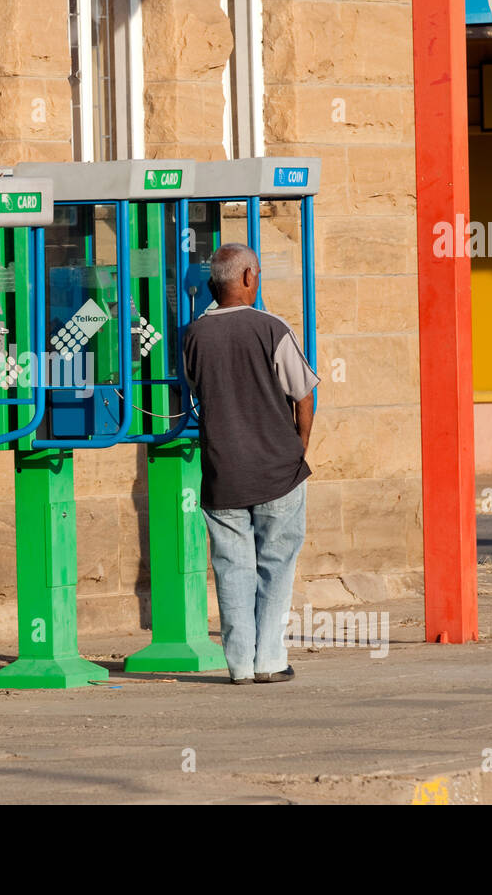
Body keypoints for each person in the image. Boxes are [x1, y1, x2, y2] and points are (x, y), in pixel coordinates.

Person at [181, 242, 319, 684]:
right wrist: (298, 446)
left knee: (231, 568)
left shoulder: (192, 335)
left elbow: (192, 391)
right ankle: (270, 661)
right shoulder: (270, 328)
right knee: (276, 565)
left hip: (223, 473)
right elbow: (303, 393)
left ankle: (239, 665)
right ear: (246, 279)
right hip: (277, 470)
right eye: (255, 273)